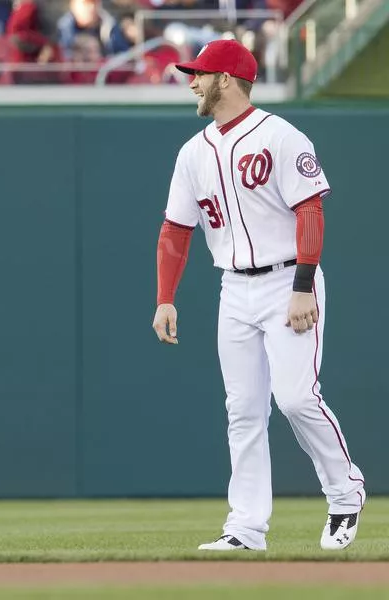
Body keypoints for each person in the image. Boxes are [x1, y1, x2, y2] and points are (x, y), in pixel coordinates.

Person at [151, 40, 365, 552]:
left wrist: (302, 287)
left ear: (226, 79)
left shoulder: (281, 136)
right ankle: (246, 529)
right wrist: (166, 297)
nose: (192, 82)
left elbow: (310, 211)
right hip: (234, 287)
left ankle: (345, 491)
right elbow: (175, 230)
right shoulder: (193, 151)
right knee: (243, 410)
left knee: (294, 398)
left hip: (288, 280)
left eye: (200, 74)